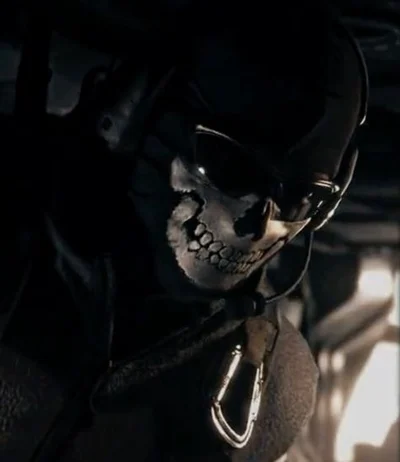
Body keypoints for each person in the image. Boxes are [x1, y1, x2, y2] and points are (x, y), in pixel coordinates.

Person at [0, 1, 367, 461]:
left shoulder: (274, 388)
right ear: (129, 118)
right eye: (228, 165)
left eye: (299, 196)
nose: (259, 222)